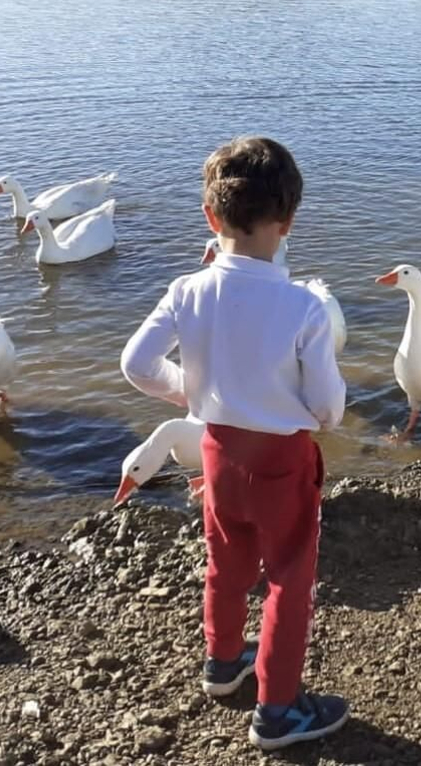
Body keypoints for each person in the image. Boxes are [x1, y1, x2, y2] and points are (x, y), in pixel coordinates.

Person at [120, 136, 349, 751]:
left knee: (226, 562)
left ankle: (223, 663)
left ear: (209, 216)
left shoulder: (185, 290)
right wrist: (296, 409)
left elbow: (137, 364)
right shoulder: (304, 307)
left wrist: (190, 394)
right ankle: (278, 711)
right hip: (282, 461)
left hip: (217, 452)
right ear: (289, 223)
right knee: (288, 580)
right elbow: (329, 410)